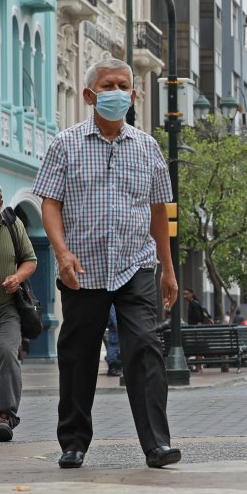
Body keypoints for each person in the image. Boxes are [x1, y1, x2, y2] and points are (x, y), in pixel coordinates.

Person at [33, 58, 180, 469]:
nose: (117, 93)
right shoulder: (66, 143)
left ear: (134, 95)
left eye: (124, 86)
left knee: (146, 350)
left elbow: (158, 213)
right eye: (108, 85)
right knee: (78, 355)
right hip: (83, 269)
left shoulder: (148, 147)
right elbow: (50, 202)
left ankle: (156, 444)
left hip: (136, 266)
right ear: (89, 95)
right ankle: (74, 442)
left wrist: (167, 270)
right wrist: (61, 253)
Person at [0, 183, 38, 443]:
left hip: (6, 307)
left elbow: (30, 260)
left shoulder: (13, 225)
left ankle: (3, 415)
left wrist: (17, 277)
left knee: (6, 352)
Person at [104, 305, 121, 377]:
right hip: (114, 328)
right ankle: (112, 368)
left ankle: (113, 367)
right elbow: (113, 315)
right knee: (114, 346)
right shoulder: (113, 304)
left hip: (113, 327)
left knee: (114, 346)